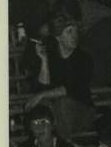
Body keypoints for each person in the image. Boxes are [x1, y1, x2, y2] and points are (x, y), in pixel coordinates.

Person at [25, 10, 96, 139]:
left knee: (62, 104)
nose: (74, 35)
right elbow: (43, 87)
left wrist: (40, 95)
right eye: (69, 31)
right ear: (58, 37)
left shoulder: (84, 58)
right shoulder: (52, 57)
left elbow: (69, 89)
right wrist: (44, 60)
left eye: (75, 31)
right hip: (56, 110)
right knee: (43, 107)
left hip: (82, 111)